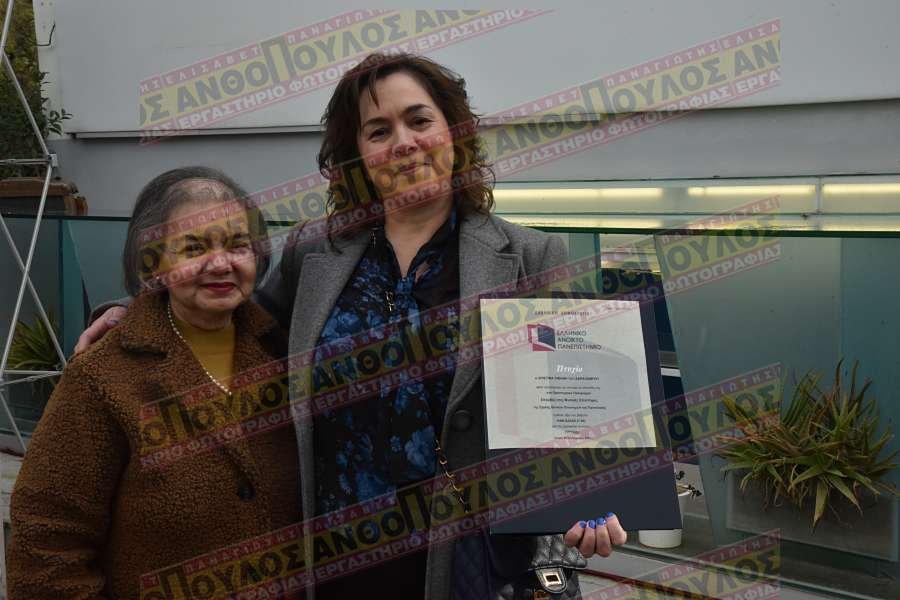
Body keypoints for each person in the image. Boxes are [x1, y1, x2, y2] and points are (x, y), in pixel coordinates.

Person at [79, 53, 627, 599]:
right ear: (358, 155)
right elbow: (235, 321)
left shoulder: (529, 256)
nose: (403, 143)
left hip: (469, 560)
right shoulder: (314, 254)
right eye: (378, 131)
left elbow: (570, 393)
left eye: (419, 120)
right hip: (338, 561)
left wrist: (598, 495)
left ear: (454, 131)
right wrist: (131, 311)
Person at [9, 167, 302, 599]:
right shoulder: (102, 377)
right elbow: (46, 539)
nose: (220, 263)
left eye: (237, 245)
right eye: (193, 247)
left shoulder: (284, 354)